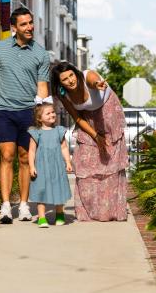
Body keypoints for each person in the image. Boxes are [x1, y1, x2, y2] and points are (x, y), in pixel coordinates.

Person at [0, 7, 50, 224]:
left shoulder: (40, 53)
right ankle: (4, 207)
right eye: (24, 24)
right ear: (14, 28)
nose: (30, 27)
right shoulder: (0, 48)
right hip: (4, 110)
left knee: (24, 158)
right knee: (7, 156)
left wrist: (43, 116)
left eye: (31, 22)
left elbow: (42, 88)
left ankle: (23, 205)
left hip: (29, 113)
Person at [51, 62, 128, 222]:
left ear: (76, 73)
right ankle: (89, 211)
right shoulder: (63, 93)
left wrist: (97, 84)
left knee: (110, 163)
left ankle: (111, 211)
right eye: (65, 79)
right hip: (87, 118)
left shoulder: (87, 77)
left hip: (107, 111)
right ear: (60, 83)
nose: (70, 80)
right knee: (86, 161)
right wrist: (95, 136)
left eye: (71, 75)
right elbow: (77, 117)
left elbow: (94, 80)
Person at [27, 99, 73, 228]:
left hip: (57, 167)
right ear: (39, 118)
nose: (52, 115)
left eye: (53, 112)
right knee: (41, 191)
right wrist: (32, 166)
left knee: (58, 190)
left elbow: (64, 147)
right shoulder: (36, 133)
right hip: (42, 167)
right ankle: (42, 218)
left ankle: (59, 214)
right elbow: (31, 151)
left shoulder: (59, 131)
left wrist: (68, 162)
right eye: (48, 113)